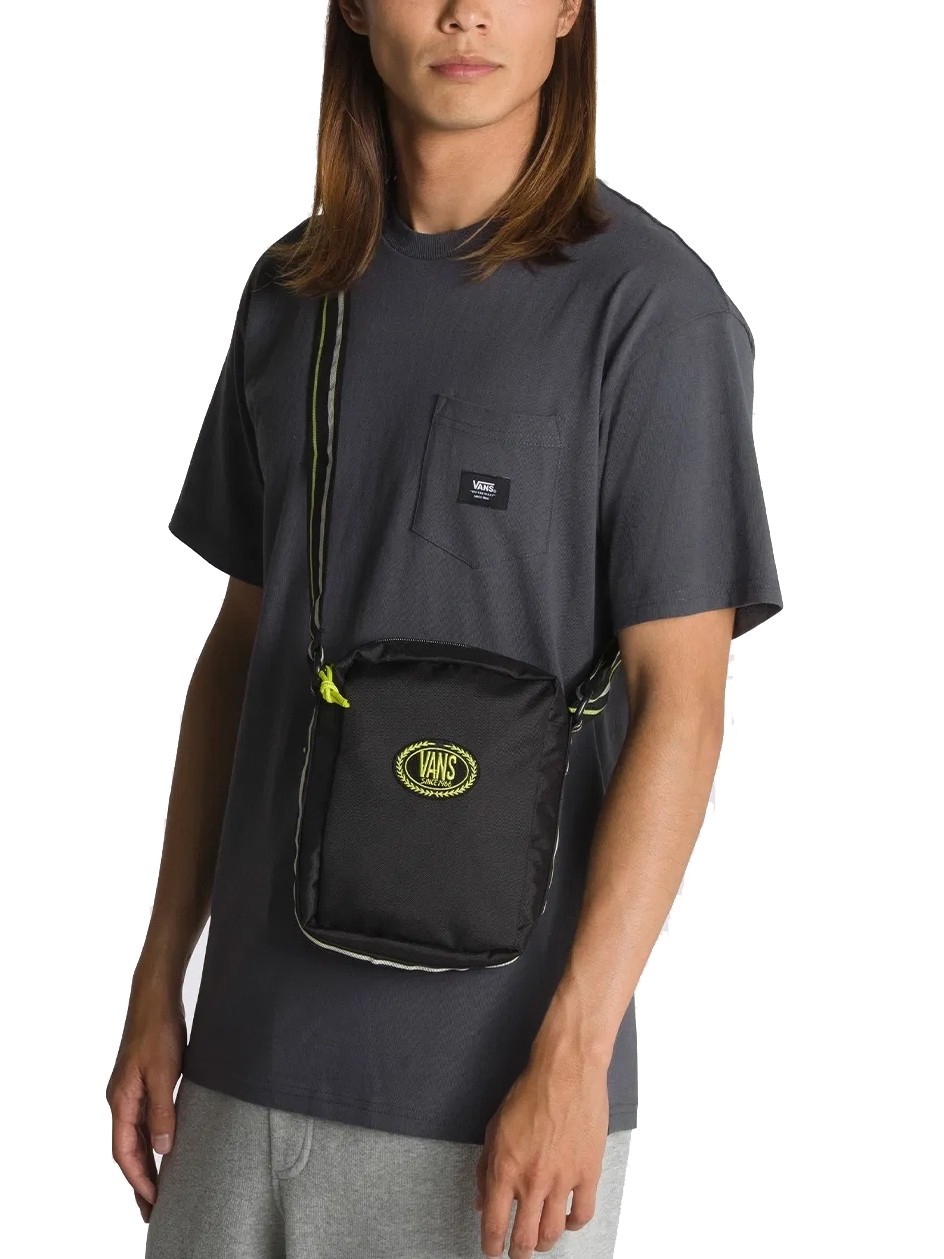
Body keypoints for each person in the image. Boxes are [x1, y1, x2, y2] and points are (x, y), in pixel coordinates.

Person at [106, 2, 783, 1256]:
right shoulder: (292, 292)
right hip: (240, 1061)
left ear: (567, 9)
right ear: (355, 7)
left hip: (492, 1100)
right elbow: (239, 653)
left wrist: (574, 1053)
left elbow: (682, 700)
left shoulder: (652, 310)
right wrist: (159, 976)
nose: (465, 10)